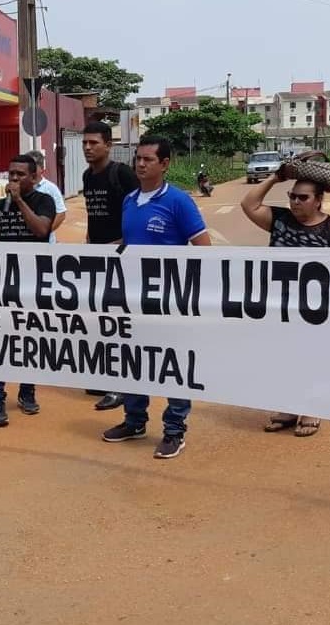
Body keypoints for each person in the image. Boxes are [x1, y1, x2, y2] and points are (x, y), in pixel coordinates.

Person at [102, 136, 211, 459]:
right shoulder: (130, 200)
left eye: (148, 159)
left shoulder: (178, 202)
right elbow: (130, 243)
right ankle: (134, 421)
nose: (140, 164)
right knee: (135, 362)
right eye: (138, 158)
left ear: (165, 164)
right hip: (134, 300)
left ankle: (174, 430)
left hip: (170, 301)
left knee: (173, 365)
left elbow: (204, 249)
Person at [240, 156, 330, 437]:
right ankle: (289, 408)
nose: (296, 202)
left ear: (318, 201)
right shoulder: (279, 220)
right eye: (292, 196)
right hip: (278, 305)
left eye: (303, 197)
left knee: (313, 358)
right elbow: (248, 205)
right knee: (282, 358)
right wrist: (276, 178)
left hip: (315, 309)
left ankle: (312, 409)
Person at [0, 154, 56, 427]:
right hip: (3, 286)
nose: (13, 179)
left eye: (20, 175)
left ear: (34, 177)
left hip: (32, 286)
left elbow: (41, 230)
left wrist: (20, 202)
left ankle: (27, 392)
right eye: (11, 174)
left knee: (29, 341)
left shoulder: (43, 201)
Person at [81, 121, 139, 411]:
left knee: (119, 323)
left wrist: (121, 245)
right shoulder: (87, 176)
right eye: (85, 144)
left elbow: (136, 211)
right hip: (96, 257)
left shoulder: (122, 174)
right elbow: (94, 216)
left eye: (94, 143)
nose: (88, 148)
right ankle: (107, 377)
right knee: (101, 320)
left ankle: (122, 387)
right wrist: (90, 243)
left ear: (108, 145)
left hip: (121, 257)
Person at [26, 149, 67, 243]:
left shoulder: (51, 189)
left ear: (41, 168)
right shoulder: (22, 188)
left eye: (32, 166)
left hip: (46, 243)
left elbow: (61, 214)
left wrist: (45, 231)